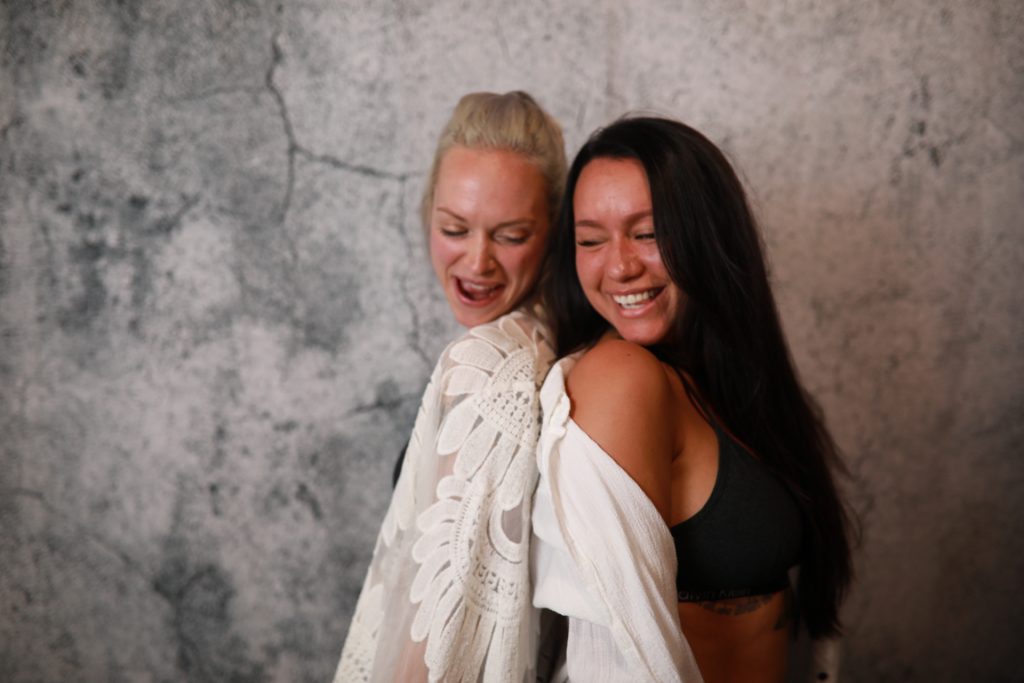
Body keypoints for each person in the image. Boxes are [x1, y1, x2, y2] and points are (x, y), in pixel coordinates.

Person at [533, 117, 853, 682]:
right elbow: (614, 662)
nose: (619, 266)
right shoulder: (621, 376)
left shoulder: (732, 381)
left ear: (708, 232)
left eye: (648, 232)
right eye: (589, 239)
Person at [334, 91, 567, 683]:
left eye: (511, 235)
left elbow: (440, 640)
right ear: (427, 213)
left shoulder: (490, 366)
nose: (477, 261)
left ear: (555, 232)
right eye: (454, 228)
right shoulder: (545, 341)